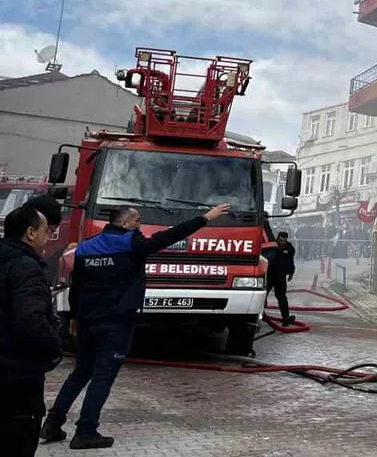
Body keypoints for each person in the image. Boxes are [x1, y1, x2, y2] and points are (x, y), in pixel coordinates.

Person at [42, 203, 230, 450]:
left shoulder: (86, 248)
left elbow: (77, 287)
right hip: (117, 322)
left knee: (81, 372)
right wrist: (205, 218)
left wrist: (75, 317)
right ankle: (86, 431)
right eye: (137, 221)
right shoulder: (132, 244)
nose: (140, 226)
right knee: (103, 376)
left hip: (87, 322)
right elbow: (169, 236)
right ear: (124, 223)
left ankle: (53, 423)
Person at [0, 195, 64, 457]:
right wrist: (54, 347)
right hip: (18, 381)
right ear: (30, 233)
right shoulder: (28, 268)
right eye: (45, 232)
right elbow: (32, 322)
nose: (48, 238)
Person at [267, 231, 296, 326]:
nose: (282, 242)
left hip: (280, 276)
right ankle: (259, 315)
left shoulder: (289, 247)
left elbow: (291, 260)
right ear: (277, 238)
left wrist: (291, 272)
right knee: (263, 295)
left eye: (284, 241)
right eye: (280, 240)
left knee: (282, 297)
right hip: (269, 275)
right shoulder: (272, 246)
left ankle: (285, 317)